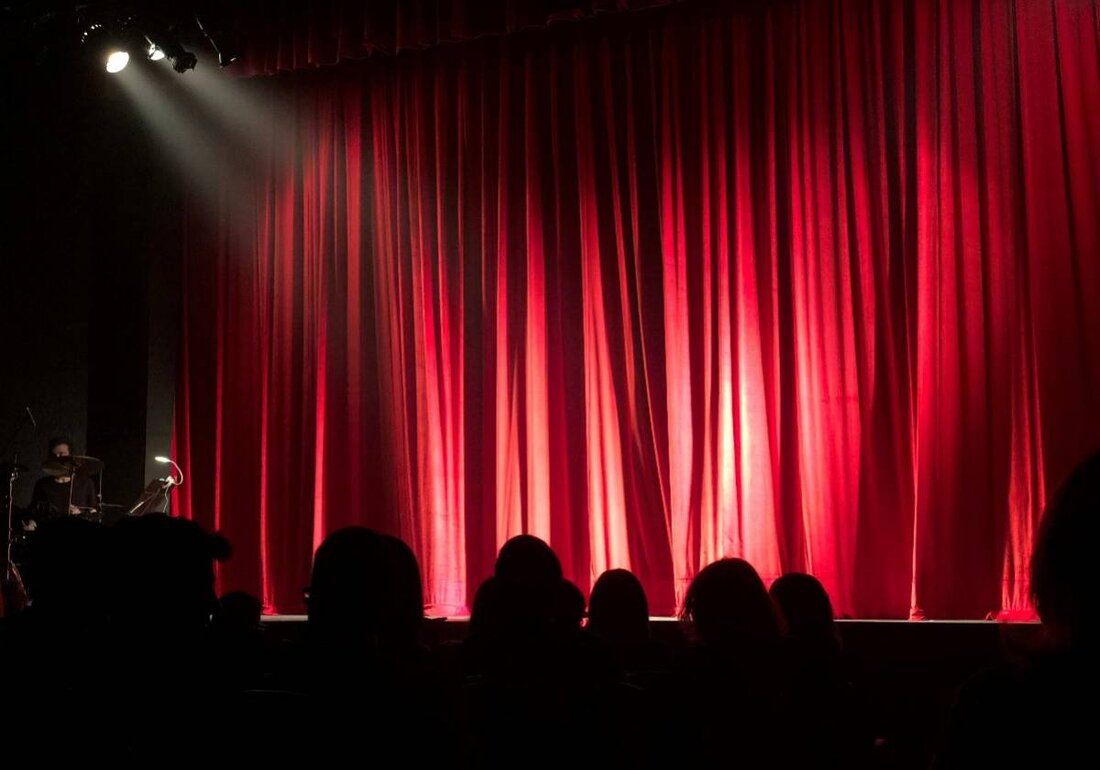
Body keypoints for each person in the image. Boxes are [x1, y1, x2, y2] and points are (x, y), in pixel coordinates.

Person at [29, 436, 97, 523]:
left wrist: (80, 515)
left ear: (71, 457)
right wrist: (31, 522)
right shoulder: (42, 484)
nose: (58, 459)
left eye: (61, 455)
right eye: (54, 456)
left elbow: (94, 514)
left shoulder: (86, 484)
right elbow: (33, 513)